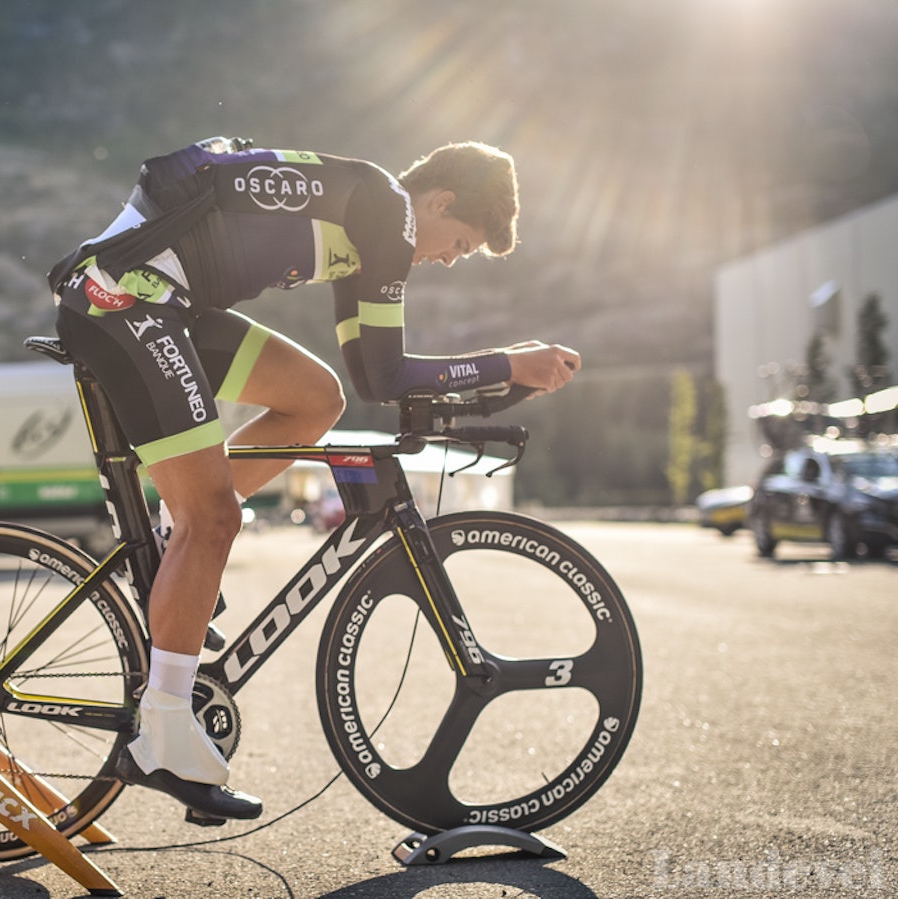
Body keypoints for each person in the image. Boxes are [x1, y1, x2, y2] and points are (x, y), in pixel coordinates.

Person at [48, 137, 581, 822]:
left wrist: (502, 380)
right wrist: (508, 365)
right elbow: (389, 377)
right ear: (441, 202)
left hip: (159, 301)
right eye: (463, 242)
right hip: (126, 302)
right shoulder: (389, 214)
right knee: (215, 518)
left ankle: (169, 539)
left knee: (315, 397)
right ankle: (162, 731)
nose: (450, 258)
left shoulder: (367, 218)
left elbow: (366, 380)